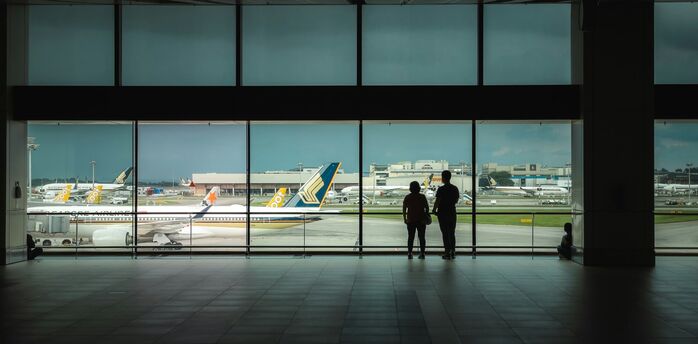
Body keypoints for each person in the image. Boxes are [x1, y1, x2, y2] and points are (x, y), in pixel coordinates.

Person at [432, 170, 459, 260]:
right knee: (452, 233)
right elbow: (456, 200)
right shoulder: (455, 188)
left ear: (443, 178)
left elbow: (437, 201)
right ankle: (453, 252)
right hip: (451, 212)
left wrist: (434, 210)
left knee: (445, 233)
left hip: (442, 213)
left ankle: (447, 252)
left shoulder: (441, 189)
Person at [403, 181, 429, 259]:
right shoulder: (422, 197)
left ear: (410, 188)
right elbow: (427, 208)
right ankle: (422, 253)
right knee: (422, 237)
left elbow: (404, 209)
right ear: (419, 188)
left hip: (411, 220)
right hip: (421, 220)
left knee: (411, 237)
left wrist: (405, 218)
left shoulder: (408, 197)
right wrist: (425, 216)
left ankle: (410, 253)